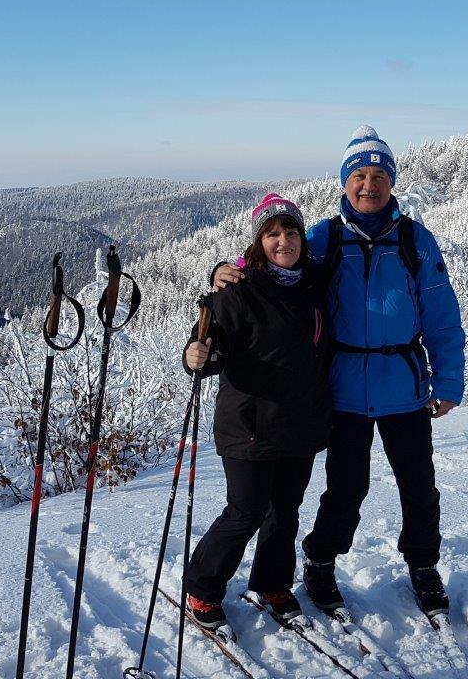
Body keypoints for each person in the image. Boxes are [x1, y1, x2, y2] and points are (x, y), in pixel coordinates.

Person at [212, 126, 465, 618]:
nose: (368, 185)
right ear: (345, 182)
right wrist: (226, 269)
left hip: (405, 385)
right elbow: (271, 262)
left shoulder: (416, 240)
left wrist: (448, 380)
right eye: (359, 176)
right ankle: (321, 559)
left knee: (418, 485)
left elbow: (442, 317)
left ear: (391, 182)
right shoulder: (324, 237)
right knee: (347, 487)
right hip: (343, 387)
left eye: (378, 176)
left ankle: (422, 564)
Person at [180, 193, 332, 632]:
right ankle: (202, 586)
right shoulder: (237, 292)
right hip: (248, 425)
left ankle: (272, 583)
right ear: (257, 243)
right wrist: (198, 355)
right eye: (272, 234)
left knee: (284, 511)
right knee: (245, 511)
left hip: (300, 423)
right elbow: (209, 346)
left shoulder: (315, 285)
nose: (283, 241)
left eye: (290, 232)